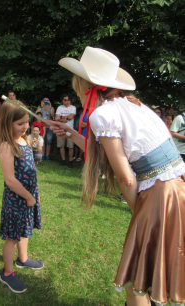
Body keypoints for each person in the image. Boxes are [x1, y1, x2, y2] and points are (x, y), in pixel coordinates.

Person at [50, 46, 185, 306]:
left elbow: (125, 178)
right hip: (177, 189)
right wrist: (72, 134)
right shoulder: (135, 106)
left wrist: (139, 216)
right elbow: (112, 157)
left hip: (160, 195)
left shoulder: (103, 115)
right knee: (157, 264)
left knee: (136, 277)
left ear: (84, 85)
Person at [0, 100, 43, 294]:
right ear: (8, 123)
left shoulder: (24, 139)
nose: (25, 127)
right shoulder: (7, 145)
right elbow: (10, 180)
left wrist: (34, 193)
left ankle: (22, 259)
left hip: (29, 196)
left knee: (25, 228)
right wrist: (28, 197)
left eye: (26, 122)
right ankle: (7, 273)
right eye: (20, 123)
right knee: (12, 237)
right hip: (17, 199)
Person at [55, 95, 76, 168]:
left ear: (69, 101)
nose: (63, 100)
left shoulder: (73, 107)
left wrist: (61, 117)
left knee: (70, 146)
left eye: (65, 100)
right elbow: (56, 118)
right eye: (63, 99)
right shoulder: (59, 108)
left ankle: (70, 161)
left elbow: (71, 117)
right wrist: (63, 119)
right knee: (61, 145)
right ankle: (63, 160)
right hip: (61, 128)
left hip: (70, 129)